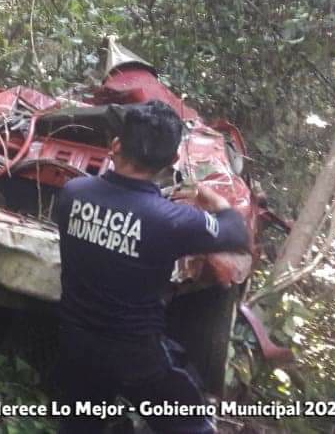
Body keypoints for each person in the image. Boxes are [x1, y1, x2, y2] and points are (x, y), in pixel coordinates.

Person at [52, 100, 250, 434]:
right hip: (136, 356)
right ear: (171, 160)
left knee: (80, 422)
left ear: (115, 145)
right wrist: (210, 199)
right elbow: (235, 232)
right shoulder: (170, 220)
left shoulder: (73, 193)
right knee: (191, 426)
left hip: (76, 340)